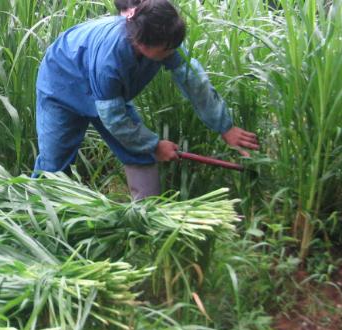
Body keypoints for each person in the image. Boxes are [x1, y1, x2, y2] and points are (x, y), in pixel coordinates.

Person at [33, 0, 259, 199]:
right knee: (54, 166)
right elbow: (115, 118)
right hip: (61, 84)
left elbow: (193, 80)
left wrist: (225, 127)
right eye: (166, 50)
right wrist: (154, 145)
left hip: (106, 93)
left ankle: (146, 221)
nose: (171, 53)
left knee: (139, 152)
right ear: (142, 44)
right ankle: (38, 220)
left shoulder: (164, 39)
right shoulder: (111, 61)